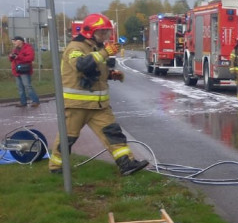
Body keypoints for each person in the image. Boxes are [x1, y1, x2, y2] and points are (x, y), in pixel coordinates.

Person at [47, 13, 148, 176]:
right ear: (89, 32)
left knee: (113, 133)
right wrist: (104, 53)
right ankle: (56, 166)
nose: (105, 36)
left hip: (99, 106)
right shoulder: (75, 47)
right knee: (68, 137)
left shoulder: (94, 47)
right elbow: (81, 65)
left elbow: (94, 71)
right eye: (102, 32)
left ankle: (127, 163)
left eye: (106, 32)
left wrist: (110, 74)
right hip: (77, 106)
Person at [8, 36, 40, 107]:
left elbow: (30, 58)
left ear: (20, 41)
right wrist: (11, 56)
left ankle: (35, 101)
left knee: (27, 86)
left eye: (15, 41)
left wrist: (18, 57)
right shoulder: (15, 49)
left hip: (24, 70)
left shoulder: (28, 48)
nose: (14, 43)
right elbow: (11, 60)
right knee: (20, 87)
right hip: (16, 70)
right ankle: (23, 102)